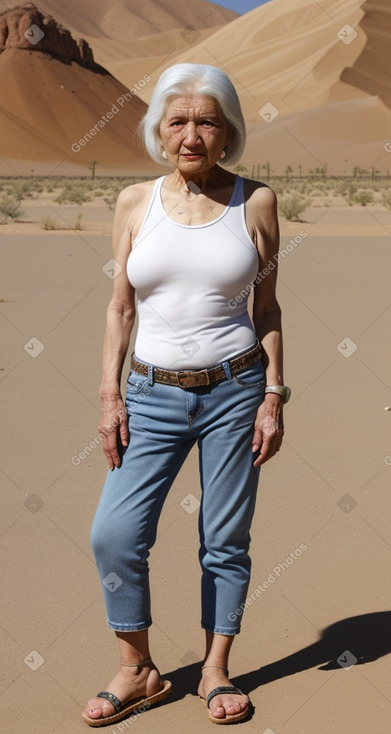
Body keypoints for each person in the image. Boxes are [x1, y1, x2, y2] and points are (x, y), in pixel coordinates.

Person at [82, 62, 290, 727]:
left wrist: (273, 395)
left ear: (226, 129)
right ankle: (137, 666)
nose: (192, 134)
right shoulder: (134, 203)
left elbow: (267, 309)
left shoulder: (255, 203)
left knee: (223, 537)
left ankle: (214, 670)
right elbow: (120, 308)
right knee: (114, 535)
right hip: (148, 393)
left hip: (235, 390)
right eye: (178, 121)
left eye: (206, 121)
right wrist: (109, 395)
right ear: (158, 130)